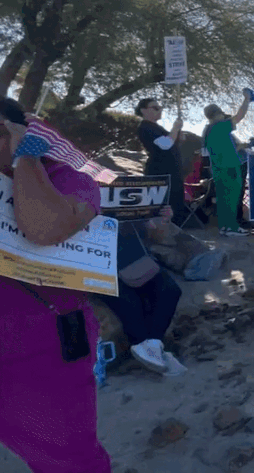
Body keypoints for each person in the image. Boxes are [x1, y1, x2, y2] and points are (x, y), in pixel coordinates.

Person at [0, 99, 112, 471]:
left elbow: (44, 226)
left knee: (68, 462)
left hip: (43, 353)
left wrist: (25, 155)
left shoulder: (70, 180)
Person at [99, 207, 186, 376]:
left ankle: (153, 344)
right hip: (97, 262)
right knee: (130, 302)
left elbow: (153, 234)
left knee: (170, 290)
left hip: (133, 257)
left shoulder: (132, 193)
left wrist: (162, 219)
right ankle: (143, 345)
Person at [203, 89, 252, 236]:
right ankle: (232, 227)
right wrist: (247, 99)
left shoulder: (208, 130)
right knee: (231, 198)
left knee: (223, 199)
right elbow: (239, 116)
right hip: (229, 167)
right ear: (216, 115)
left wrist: (243, 146)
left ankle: (225, 227)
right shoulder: (220, 126)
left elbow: (227, 148)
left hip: (218, 169)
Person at [135, 98, 187, 225]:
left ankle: (174, 233)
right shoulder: (145, 127)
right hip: (160, 173)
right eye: (155, 108)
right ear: (143, 110)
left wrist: (178, 136)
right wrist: (175, 128)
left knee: (175, 205)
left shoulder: (156, 127)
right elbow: (165, 145)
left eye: (160, 108)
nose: (160, 110)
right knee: (164, 208)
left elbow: (170, 143)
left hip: (171, 173)